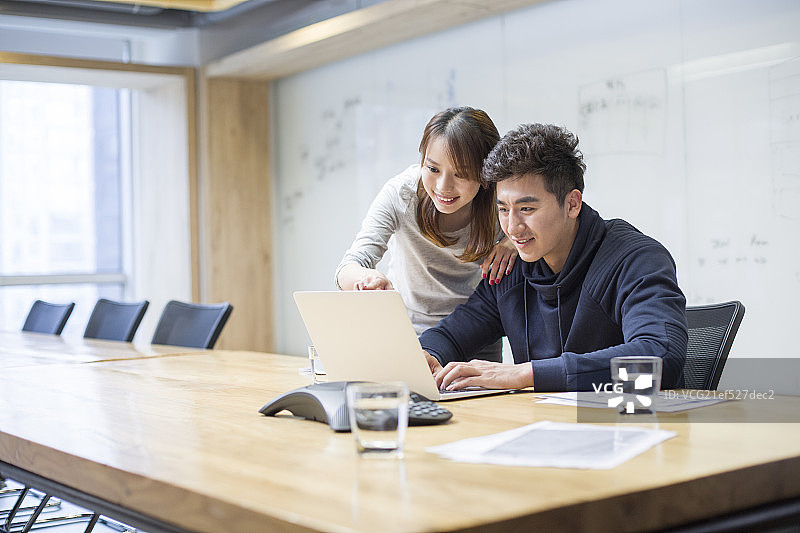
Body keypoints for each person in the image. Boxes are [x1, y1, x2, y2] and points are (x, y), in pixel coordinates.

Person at [420, 123, 687, 391]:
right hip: (550, 425)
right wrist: (428, 354)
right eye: (503, 209)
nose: (512, 228)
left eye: (526, 208)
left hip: (632, 422)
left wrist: (526, 374)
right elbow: (452, 333)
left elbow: (660, 355)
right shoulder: (512, 268)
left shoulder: (636, 259)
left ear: (572, 204)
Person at [336, 106, 517, 362]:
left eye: (461, 174)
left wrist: (512, 241)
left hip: (475, 335)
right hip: (411, 336)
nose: (443, 187)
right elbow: (348, 267)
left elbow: (544, 225)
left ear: (485, 172)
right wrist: (368, 279)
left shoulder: (499, 200)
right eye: (432, 169)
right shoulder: (402, 194)